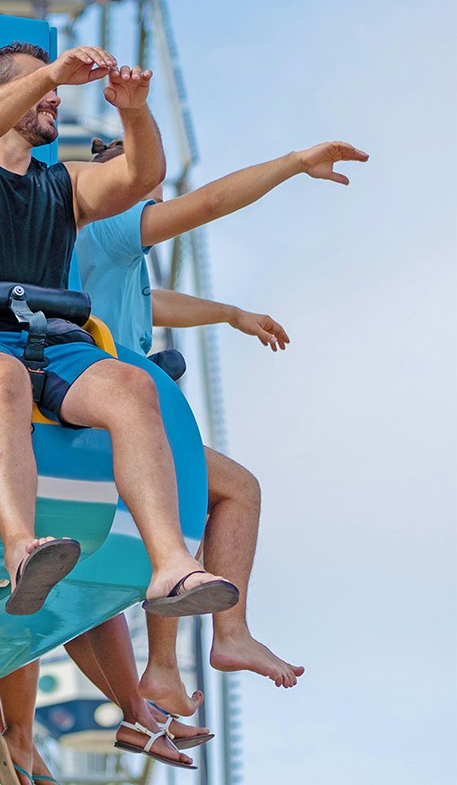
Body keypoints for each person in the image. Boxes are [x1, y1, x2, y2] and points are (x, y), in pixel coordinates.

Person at [0, 42, 239, 618]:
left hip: (56, 342)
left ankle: (171, 566)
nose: (57, 97)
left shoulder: (63, 183)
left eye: (56, 87)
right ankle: (20, 548)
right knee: (5, 379)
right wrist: (54, 73)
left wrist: (133, 109)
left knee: (133, 387)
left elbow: (142, 177)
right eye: (43, 86)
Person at [76, 136, 364, 709]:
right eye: (144, 199)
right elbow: (208, 205)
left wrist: (229, 314)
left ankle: (162, 670)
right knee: (235, 490)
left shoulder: (99, 248)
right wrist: (293, 162)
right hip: (106, 410)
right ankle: (228, 635)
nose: (151, 212)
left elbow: (152, 301)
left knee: (175, 509)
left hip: (94, 403)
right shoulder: (107, 226)